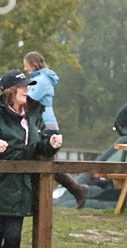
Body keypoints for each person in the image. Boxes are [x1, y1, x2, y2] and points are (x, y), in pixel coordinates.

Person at [0, 69, 63, 248]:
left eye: (27, 86)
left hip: (21, 186)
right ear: (10, 91)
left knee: (13, 237)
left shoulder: (32, 114)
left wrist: (50, 145)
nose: (27, 90)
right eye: (22, 87)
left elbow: (36, 147)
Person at [24, 51, 88, 208]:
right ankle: (75, 189)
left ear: (32, 64)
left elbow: (29, 102)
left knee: (42, 163)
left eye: (26, 64)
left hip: (44, 126)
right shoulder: (39, 80)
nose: (25, 68)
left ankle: (74, 189)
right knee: (41, 162)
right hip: (41, 124)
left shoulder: (41, 81)